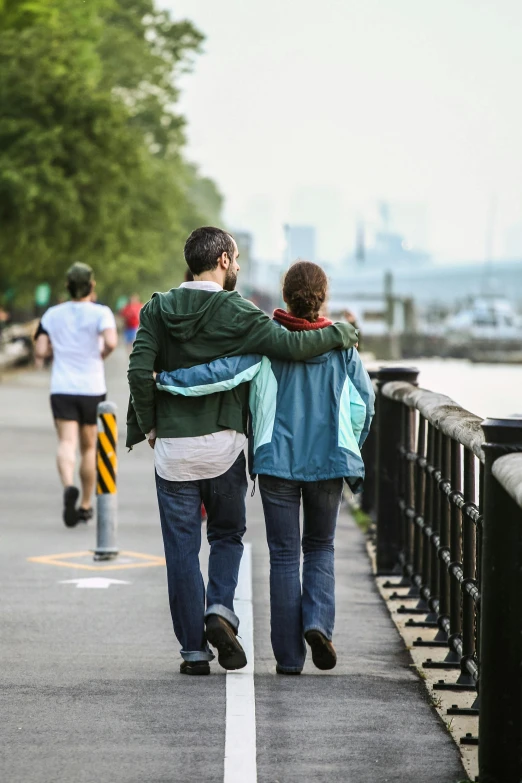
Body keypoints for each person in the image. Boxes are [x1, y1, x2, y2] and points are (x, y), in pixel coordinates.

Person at [127, 227, 359, 676]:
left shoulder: (156, 309)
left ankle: (194, 652)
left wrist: (150, 422)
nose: (237, 266)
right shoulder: (238, 311)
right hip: (225, 449)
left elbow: (140, 370)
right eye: (235, 259)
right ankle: (219, 608)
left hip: (173, 451)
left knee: (180, 551)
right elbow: (294, 344)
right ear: (222, 261)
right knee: (227, 536)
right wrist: (341, 333)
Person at [34, 262, 118, 526]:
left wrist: (53, 352)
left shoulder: (51, 315)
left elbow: (39, 350)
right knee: (90, 447)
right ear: (91, 286)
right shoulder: (101, 313)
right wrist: (101, 353)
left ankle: (69, 485)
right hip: (91, 388)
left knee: (66, 443)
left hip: (62, 387)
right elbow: (112, 341)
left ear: (67, 287)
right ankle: (84, 505)